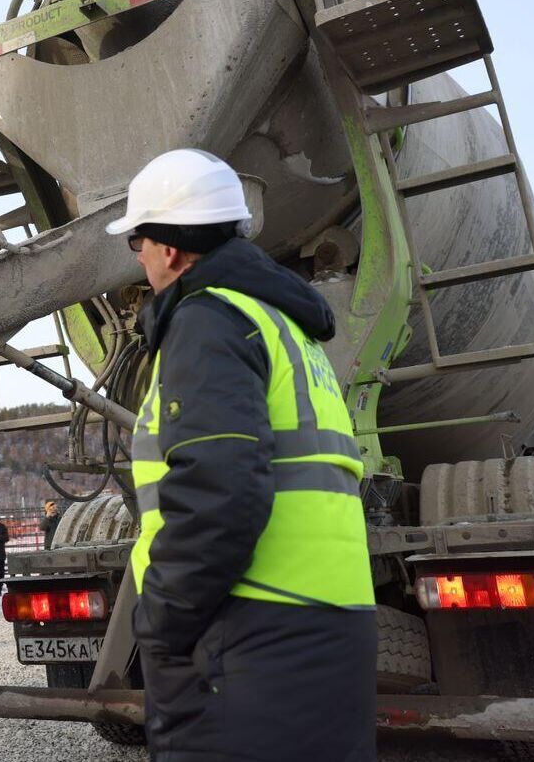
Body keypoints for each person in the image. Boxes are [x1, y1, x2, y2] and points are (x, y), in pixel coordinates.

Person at [105, 148, 375, 761]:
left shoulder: (209, 322)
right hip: (325, 627)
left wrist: (163, 625)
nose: (139, 257)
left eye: (137, 242)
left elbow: (220, 492)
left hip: (248, 638)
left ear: (170, 249)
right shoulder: (285, 326)